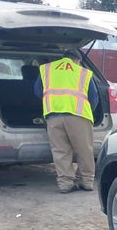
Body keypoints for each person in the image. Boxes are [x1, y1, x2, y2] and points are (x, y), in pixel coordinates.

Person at [34, 51, 99, 193]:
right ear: (78, 60)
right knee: (84, 150)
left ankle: (65, 184)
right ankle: (87, 181)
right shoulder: (83, 72)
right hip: (79, 116)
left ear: (63, 58)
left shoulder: (47, 69)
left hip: (53, 116)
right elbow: (94, 98)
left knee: (60, 151)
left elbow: (38, 91)